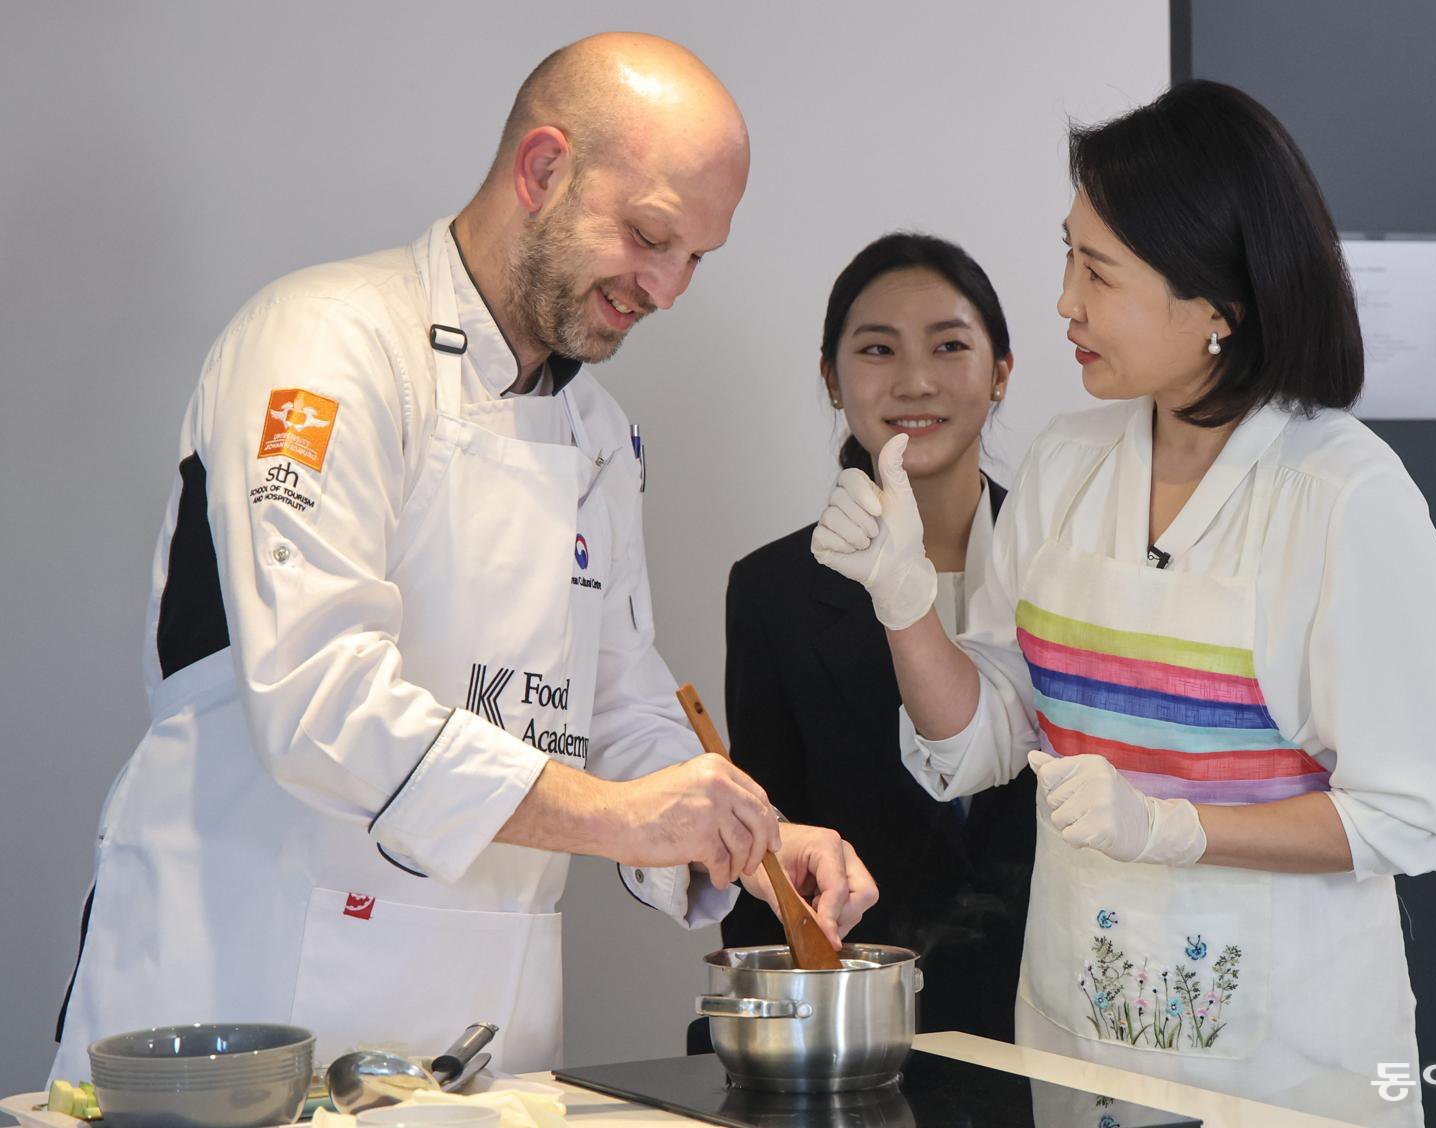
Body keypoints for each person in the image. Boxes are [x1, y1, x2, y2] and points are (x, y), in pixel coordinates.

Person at [52, 32, 876, 1082]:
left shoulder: (601, 438)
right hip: (247, 992)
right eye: (649, 235)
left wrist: (753, 844)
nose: (666, 289)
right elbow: (321, 701)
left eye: (695, 259)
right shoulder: (326, 343)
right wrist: (623, 819)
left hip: (483, 1024)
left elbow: (618, 710)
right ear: (541, 170)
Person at [811, 81, 1436, 1126]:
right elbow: (982, 739)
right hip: (1082, 1036)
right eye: (1067, 256)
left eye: (1098, 271)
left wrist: (1175, 827)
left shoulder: (1341, 498)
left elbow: (1408, 815)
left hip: (1282, 1069)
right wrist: (904, 606)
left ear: (1217, 303)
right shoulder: (1071, 466)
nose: (1065, 301)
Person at [717, 234, 1036, 1040]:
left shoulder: (1070, 566)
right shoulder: (774, 591)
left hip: (1062, 1023)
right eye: (877, 349)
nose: (916, 380)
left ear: (1002, 370)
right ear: (831, 377)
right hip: (864, 1038)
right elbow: (766, 854)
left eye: (950, 345)